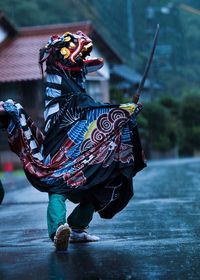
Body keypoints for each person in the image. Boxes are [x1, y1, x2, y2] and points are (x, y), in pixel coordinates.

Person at [0, 31, 146, 251]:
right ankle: (60, 229)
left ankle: (76, 228)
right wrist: (124, 112)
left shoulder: (73, 94)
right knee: (60, 189)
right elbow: (96, 111)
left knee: (94, 187)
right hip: (58, 154)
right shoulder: (70, 95)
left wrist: (124, 112)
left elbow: (95, 111)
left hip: (75, 157)